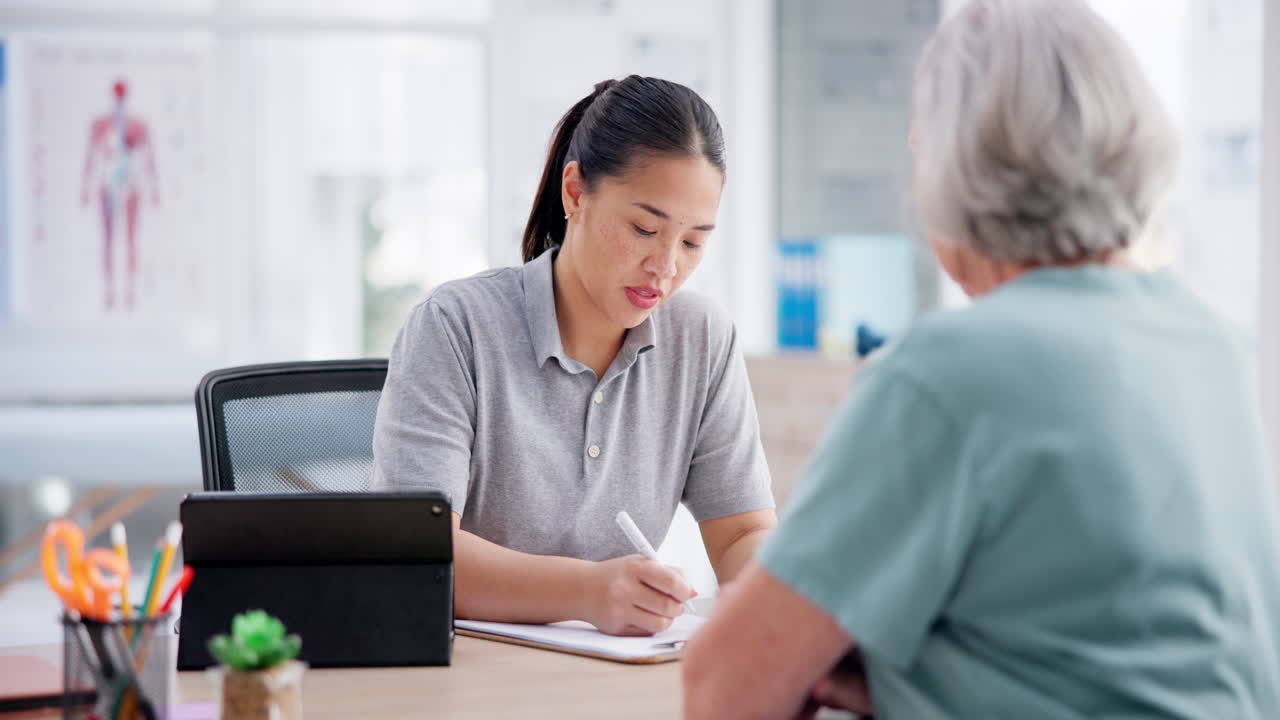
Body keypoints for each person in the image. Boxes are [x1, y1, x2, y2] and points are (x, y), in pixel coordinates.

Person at [683, 0, 1280, 717]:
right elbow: (1123, 644)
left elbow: (724, 687)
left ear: (955, 171)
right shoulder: (1207, 346)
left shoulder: (947, 372)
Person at [373, 76, 777, 636]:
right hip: (472, 677)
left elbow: (741, 535)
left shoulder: (702, 338)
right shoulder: (456, 326)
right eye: (644, 228)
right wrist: (587, 592)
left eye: (692, 242)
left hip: (616, 679)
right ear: (575, 193)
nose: (665, 267)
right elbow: (417, 554)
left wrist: (796, 609)